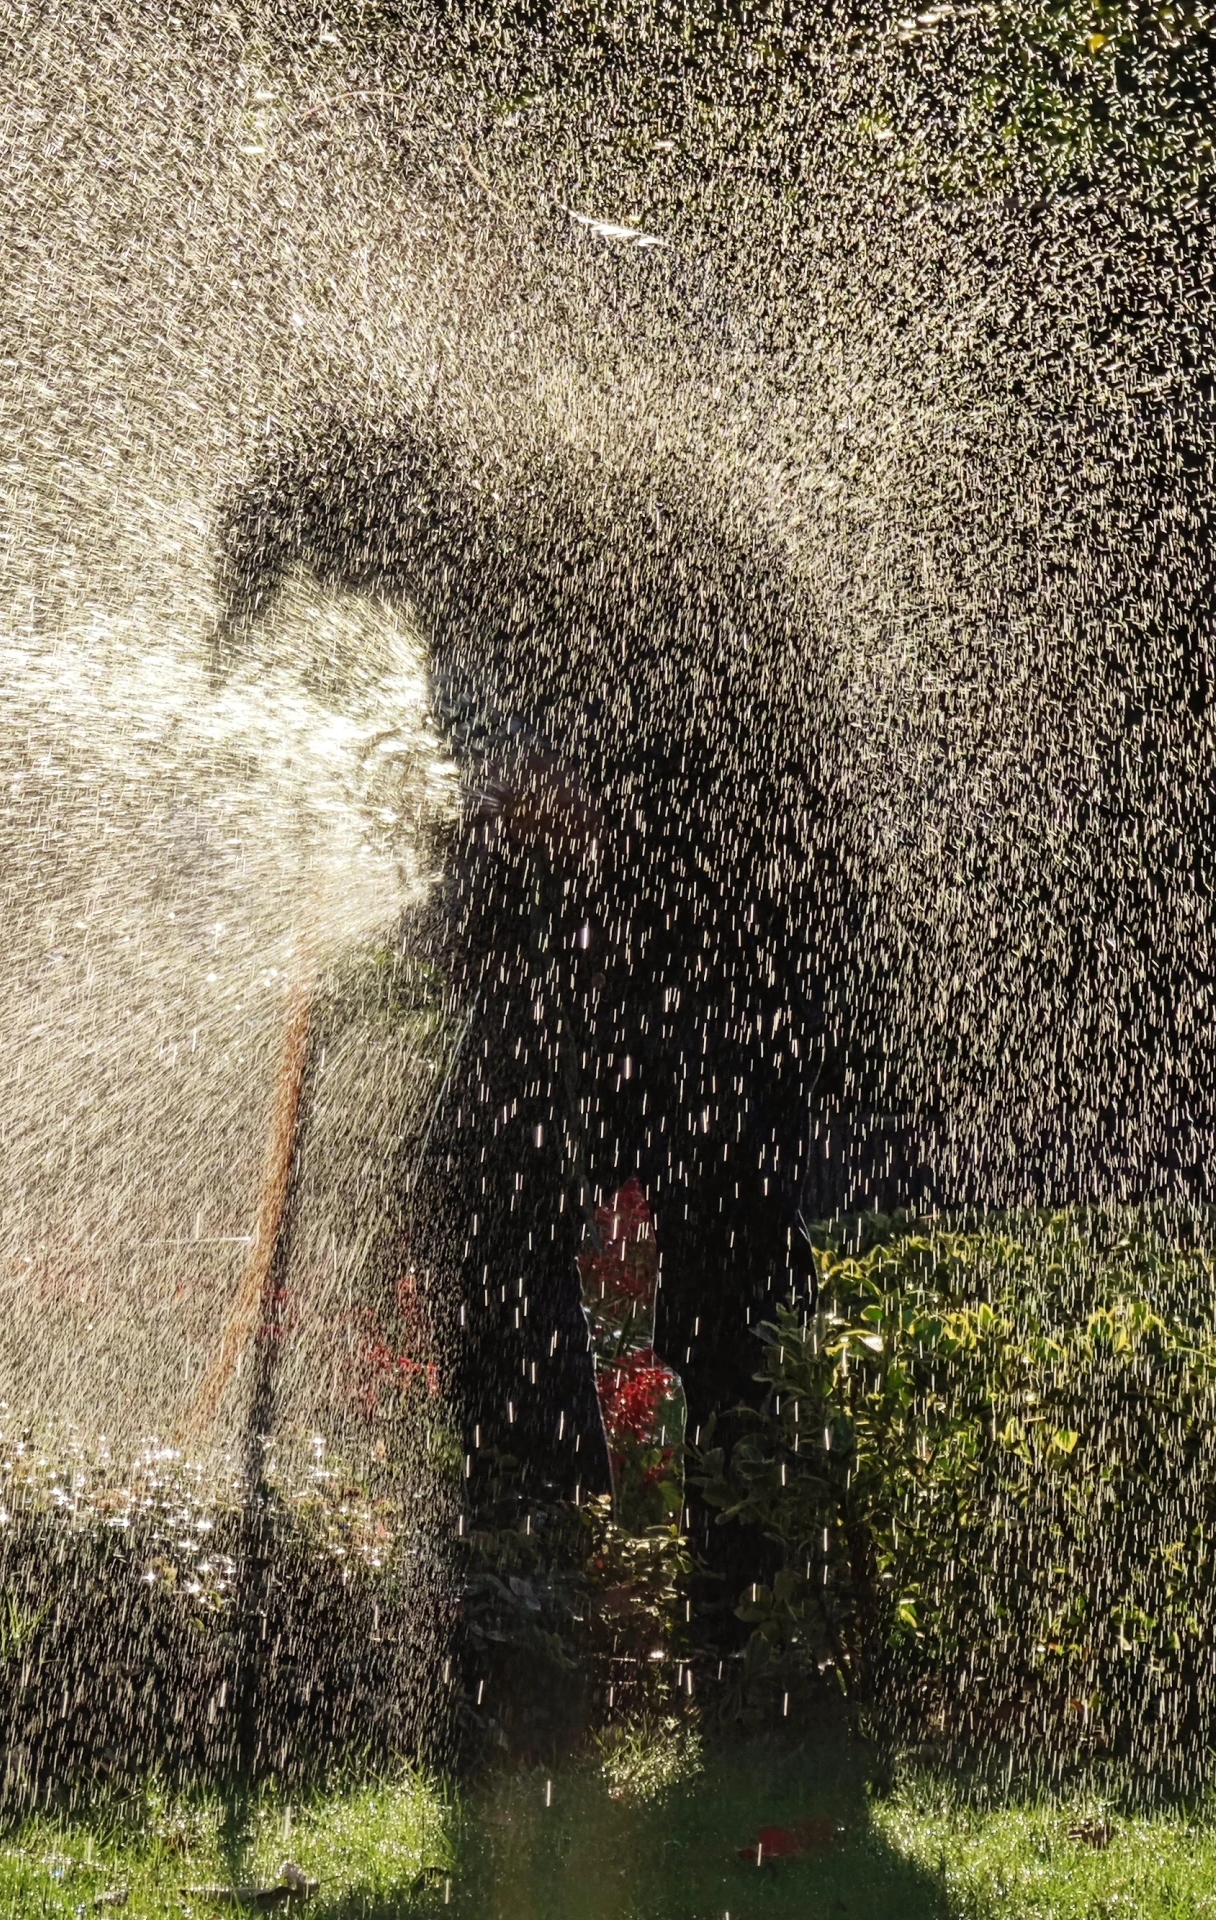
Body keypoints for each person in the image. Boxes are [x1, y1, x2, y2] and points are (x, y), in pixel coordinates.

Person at [210, 412, 856, 1653]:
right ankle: (524, 1574)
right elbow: (484, 809)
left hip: (689, 982)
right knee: (482, 1226)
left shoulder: (558, 562)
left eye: (338, 568)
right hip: (554, 986)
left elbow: (642, 780)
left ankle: (743, 1612)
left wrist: (566, 813)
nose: (352, 595)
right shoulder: (464, 586)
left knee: (718, 1271)